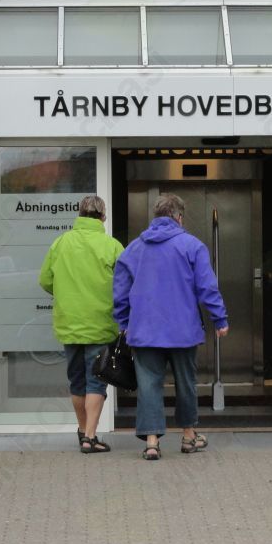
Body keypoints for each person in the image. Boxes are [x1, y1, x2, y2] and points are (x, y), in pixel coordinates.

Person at [113, 193, 229, 461]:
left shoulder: (133, 249)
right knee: (186, 383)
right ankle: (188, 436)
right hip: (183, 331)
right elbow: (207, 287)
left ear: (155, 216)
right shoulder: (192, 246)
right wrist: (219, 319)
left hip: (144, 331)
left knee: (149, 385)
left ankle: (152, 442)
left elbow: (120, 292)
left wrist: (124, 321)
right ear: (179, 217)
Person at [39, 194, 124, 454]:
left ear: (79, 214)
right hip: (100, 325)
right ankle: (90, 437)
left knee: (77, 381)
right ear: (103, 217)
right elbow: (125, 284)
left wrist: (66, 295)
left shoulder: (61, 243)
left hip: (69, 324)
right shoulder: (112, 246)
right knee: (96, 381)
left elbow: (45, 280)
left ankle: (83, 430)